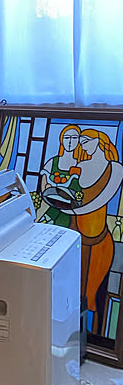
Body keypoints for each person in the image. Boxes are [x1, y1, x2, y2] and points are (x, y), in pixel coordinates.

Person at [71, 129, 123, 334]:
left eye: (86, 140)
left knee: (92, 293)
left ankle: (93, 337)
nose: (82, 145)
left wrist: (73, 209)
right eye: (81, 141)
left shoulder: (115, 168)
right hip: (74, 232)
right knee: (71, 288)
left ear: (100, 140)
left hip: (99, 238)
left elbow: (101, 199)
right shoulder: (81, 166)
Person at [38, 125, 82, 226]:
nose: (70, 142)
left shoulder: (80, 164)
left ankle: (47, 219)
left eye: (74, 138)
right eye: (66, 138)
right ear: (61, 140)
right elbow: (44, 180)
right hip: (52, 201)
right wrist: (45, 191)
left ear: (79, 140)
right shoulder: (52, 162)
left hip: (72, 206)